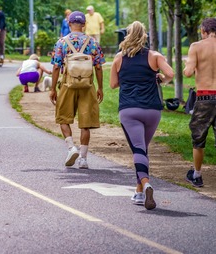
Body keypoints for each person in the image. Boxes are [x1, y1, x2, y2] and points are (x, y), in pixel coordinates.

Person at [110, 21, 174, 210]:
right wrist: (160, 78)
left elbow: (113, 84)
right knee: (143, 149)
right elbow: (170, 73)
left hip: (129, 110)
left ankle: (146, 185)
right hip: (153, 110)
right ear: (144, 36)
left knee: (138, 149)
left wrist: (128, 79)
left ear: (127, 36)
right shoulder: (154, 56)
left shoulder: (119, 58)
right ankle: (139, 193)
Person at [49, 11, 105, 169]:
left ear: (69, 24)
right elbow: (99, 67)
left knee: (63, 118)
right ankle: (83, 159)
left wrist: (53, 89)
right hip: (87, 86)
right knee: (85, 124)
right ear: (84, 25)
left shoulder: (62, 42)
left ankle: (71, 147)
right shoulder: (93, 42)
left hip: (68, 84)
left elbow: (55, 67)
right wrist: (100, 87)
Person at [183, 17, 216, 188]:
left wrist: (186, 65)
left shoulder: (196, 46)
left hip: (205, 97)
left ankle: (197, 175)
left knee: (199, 139)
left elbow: (188, 73)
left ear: (204, 31)